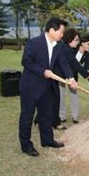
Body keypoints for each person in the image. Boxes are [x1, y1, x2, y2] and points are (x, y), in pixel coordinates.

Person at [18, 18, 78, 157]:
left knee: (46, 115)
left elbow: (63, 62)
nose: (62, 35)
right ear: (51, 30)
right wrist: (43, 71)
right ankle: (26, 145)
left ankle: (47, 140)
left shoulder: (59, 45)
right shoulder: (34, 43)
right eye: (61, 32)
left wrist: (71, 78)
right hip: (31, 86)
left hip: (48, 86)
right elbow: (26, 62)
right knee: (27, 116)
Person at [59, 30, 89, 125]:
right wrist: (87, 75)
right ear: (82, 43)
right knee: (61, 96)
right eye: (88, 44)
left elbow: (87, 67)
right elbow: (75, 64)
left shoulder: (88, 54)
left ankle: (75, 117)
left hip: (73, 77)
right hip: (62, 75)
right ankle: (61, 116)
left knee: (74, 96)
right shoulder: (71, 49)